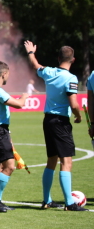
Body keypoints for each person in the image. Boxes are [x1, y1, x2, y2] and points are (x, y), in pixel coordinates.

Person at [24, 41, 85, 210]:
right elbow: (73, 104)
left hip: (48, 120)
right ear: (73, 60)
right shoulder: (71, 78)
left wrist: (30, 52)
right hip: (60, 122)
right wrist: (79, 116)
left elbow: (35, 64)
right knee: (66, 161)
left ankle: (47, 200)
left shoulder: (49, 72)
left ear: (59, 58)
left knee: (51, 160)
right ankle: (70, 203)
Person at [0, 61, 30, 212]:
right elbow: (18, 104)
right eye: (8, 74)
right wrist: (24, 97)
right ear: (3, 73)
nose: (8, 76)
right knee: (9, 167)